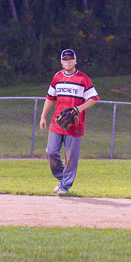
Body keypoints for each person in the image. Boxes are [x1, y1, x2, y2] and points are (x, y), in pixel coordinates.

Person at [39, 48, 99, 196]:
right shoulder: (57, 77)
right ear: (61, 62)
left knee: (71, 156)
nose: (68, 62)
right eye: (65, 60)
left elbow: (94, 98)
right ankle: (62, 179)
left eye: (70, 59)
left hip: (75, 125)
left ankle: (65, 186)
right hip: (57, 122)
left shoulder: (83, 79)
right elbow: (49, 97)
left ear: (75, 61)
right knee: (51, 152)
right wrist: (43, 116)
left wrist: (79, 108)